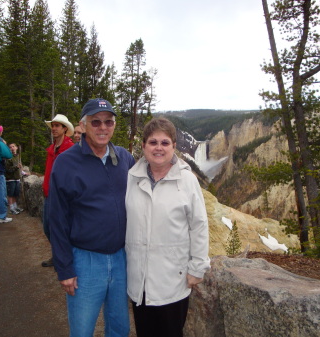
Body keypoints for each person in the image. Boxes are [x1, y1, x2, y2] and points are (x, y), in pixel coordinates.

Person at [48, 98, 135, 337]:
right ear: (83, 125)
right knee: (82, 329)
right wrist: (64, 268)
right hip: (84, 260)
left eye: (109, 122)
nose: (103, 127)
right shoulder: (66, 163)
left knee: (119, 328)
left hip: (120, 259)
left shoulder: (125, 158)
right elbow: (55, 219)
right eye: (95, 122)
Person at [125, 117, 211, 337]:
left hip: (173, 280)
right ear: (143, 146)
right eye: (153, 142)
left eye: (165, 143)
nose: (159, 148)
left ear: (174, 146)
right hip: (140, 281)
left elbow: (199, 225)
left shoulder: (187, 181)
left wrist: (197, 266)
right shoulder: (132, 178)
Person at [41, 114, 74, 268]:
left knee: (61, 229)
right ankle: (57, 255)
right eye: (53, 125)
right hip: (49, 194)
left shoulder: (71, 149)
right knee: (47, 227)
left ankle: (63, 258)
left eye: (57, 126)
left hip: (62, 196)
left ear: (65, 129)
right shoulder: (52, 149)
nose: (54, 128)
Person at [5, 143, 24, 215]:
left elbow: (19, 167)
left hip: (17, 178)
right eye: (10, 147)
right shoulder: (8, 158)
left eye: (13, 146)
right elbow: (7, 169)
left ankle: (15, 206)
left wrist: (23, 173)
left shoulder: (17, 156)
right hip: (11, 178)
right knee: (11, 194)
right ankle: (11, 208)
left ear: (16, 148)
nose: (12, 148)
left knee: (16, 193)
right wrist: (16, 167)